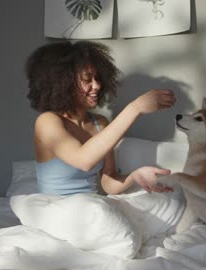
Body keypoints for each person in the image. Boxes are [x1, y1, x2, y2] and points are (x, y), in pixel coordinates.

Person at [26, 41, 176, 196]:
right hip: (57, 209)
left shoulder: (100, 123)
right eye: (87, 78)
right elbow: (84, 160)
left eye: (97, 78)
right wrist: (135, 108)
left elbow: (108, 183)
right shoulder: (47, 121)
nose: (97, 85)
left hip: (90, 206)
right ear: (63, 83)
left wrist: (134, 176)